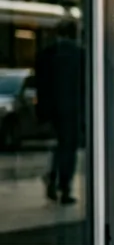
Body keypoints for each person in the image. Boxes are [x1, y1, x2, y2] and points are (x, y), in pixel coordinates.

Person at [35, 20, 84, 205]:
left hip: (53, 108)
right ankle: (64, 186)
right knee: (68, 147)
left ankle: (53, 178)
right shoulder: (79, 54)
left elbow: (40, 85)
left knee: (62, 145)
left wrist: (42, 110)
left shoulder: (46, 54)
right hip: (72, 108)